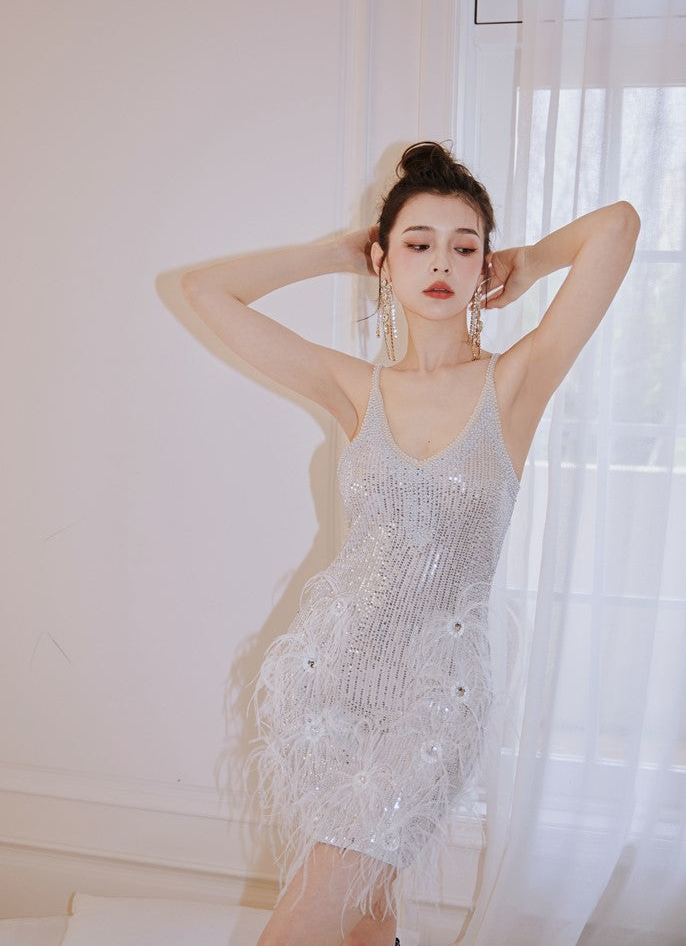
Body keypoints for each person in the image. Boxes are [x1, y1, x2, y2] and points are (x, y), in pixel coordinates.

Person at [180, 142, 640, 946]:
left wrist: (531, 261)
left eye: (464, 247)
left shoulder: (514, 383)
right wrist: (333, 252)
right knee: (363, 914)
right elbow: (204, 293)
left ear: (484, 264)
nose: (441, 263)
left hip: (436, 698)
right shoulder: (356, 388)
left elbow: (618, 227)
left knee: (305, 918)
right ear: (385, 260)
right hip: (327, 684)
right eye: (418, 243)